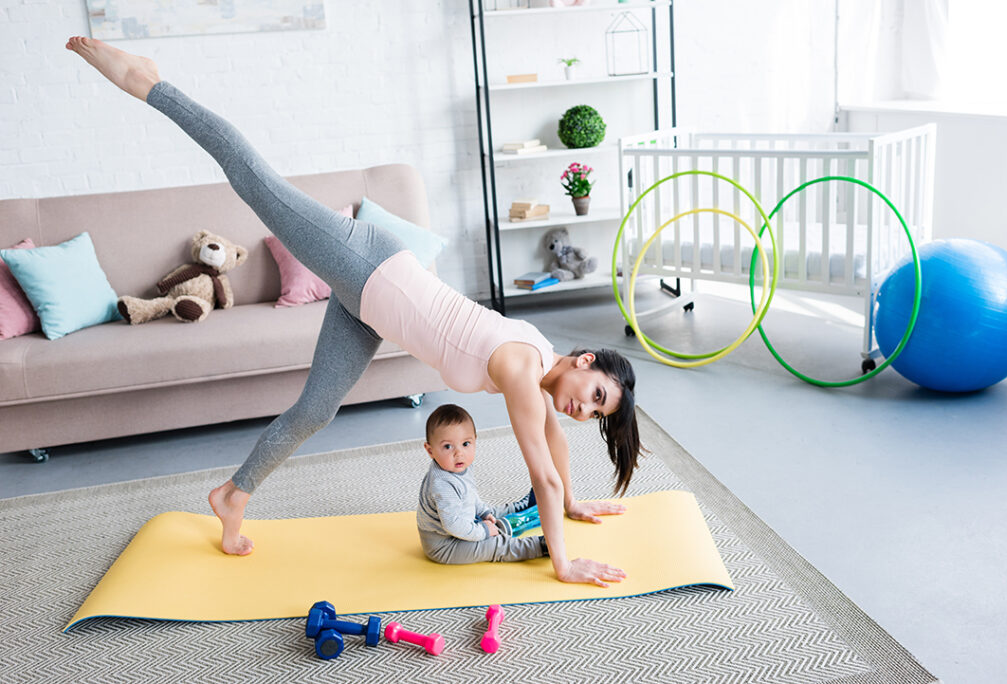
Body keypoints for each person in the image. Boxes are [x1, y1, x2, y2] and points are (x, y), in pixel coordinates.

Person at [65, 36, 642, 588]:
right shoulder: (522, 368)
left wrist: (570, 503)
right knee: (254, 181)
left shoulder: (541, 367)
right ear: (586, 360)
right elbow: (539, 467)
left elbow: (555, 447)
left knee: (314, 411)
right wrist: (562, 559)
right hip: (364, 264)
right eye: (595, 394)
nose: (581, 410)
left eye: (595, 413)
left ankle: (232, 496)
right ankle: (150, 83)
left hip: (368, 307)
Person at [417, 403, 546, 564]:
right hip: (446, 545)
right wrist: (484, 530)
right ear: (430, 450)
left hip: (465, 523)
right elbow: (453, 525)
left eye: (465, 444)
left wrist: (484, 513)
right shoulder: (441, 485)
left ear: (474, 441)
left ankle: (520, 508)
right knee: (495, 546)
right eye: (448, 446)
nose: (459, 453)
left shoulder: (460, 465)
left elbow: (470, 496)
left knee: (491, 512)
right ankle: (538, 546)